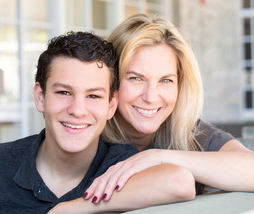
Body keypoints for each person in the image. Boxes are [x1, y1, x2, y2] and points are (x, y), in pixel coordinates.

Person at [0, 31, 195, 214]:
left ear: (111, 105)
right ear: (40, 97)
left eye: (93, 96)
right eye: (63, 92)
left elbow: (179, 181)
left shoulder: (122, 165)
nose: (78, 111)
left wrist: (73, 208)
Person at [82, 13, 254, 204]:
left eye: (166, 80)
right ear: (112, 80)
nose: (151, 97)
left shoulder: (190, 133)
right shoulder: (87, 133)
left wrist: (160, 157)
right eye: (136, 78)